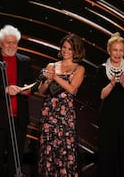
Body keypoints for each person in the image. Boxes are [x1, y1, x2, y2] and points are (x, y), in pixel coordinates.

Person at [0, 25, 36, 177]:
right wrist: (5, 89)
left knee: (16, 159)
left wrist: (28, 90)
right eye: (8, 42)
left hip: (19, 118)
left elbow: (32, 85)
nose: (11, 46)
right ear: (0, 43)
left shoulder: (25, 61)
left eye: (14, 42)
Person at [37, 33, 85, 176]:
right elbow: (41, 91)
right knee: (48, 148)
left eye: (70, 49)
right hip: (49, 112)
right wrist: (47, 80)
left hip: (65, 115)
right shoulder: (51, 65)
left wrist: (55, 77)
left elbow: (72, 89)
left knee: (65, 148)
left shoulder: (79, 68)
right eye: (64, 47)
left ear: (76, 51)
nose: (65, 51)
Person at [96, 32, 124, 177]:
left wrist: (122, 82)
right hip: (108, 117)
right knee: (109, 149)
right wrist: (111, 84)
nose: (118, 53)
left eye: (121, 50)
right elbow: (101, 95)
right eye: (115, 50)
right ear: (109, 50)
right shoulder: (101, 69)